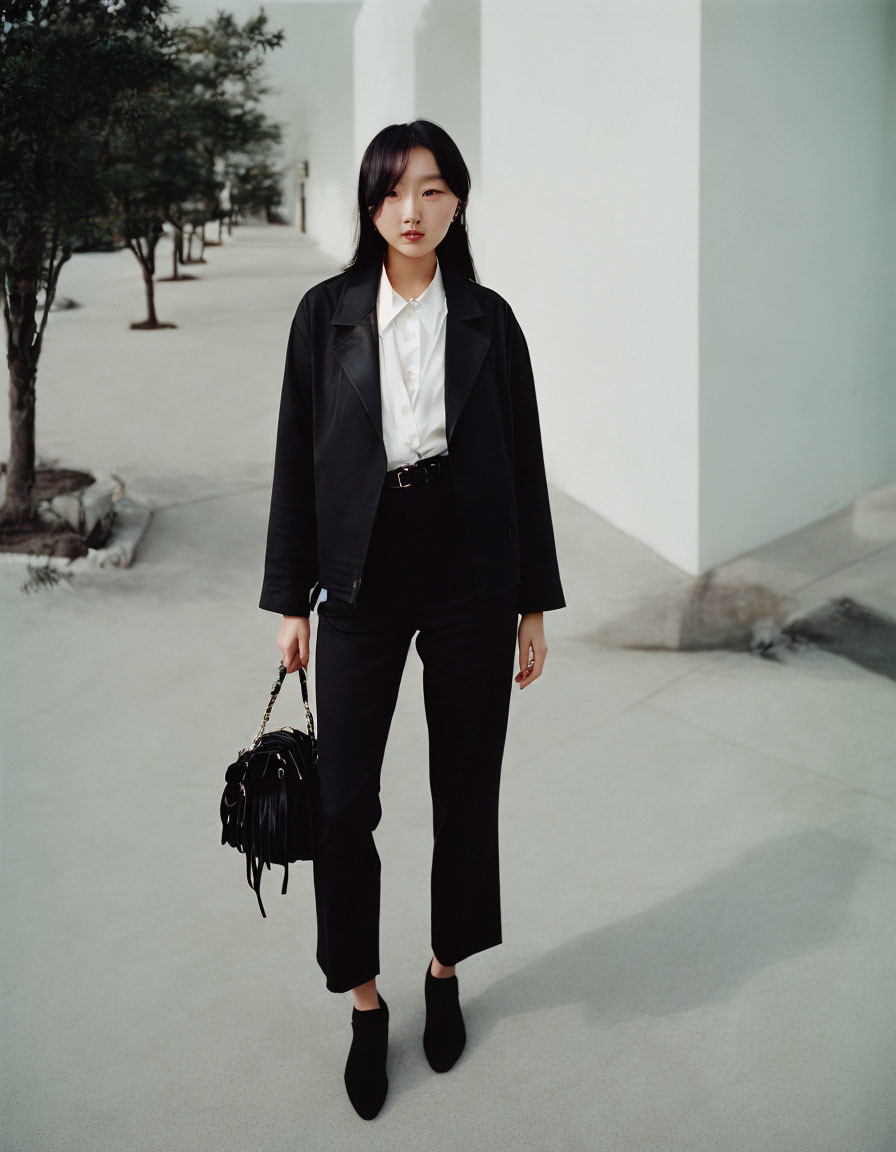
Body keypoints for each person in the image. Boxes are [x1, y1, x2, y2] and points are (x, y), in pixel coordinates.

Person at [258, 119, 565, 1120]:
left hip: (472, 571)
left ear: (457, 203)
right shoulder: (325, 315)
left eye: (431, 190)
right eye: (393, 190)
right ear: (368, 205)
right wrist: (287, 599)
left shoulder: (489, 320)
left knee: (464, 788)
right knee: (344, 804)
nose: (411, 209)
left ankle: (441, 972)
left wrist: (532, 604)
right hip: (357, 576)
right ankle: (362, 1000)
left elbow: (522, 465)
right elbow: (295, 463)